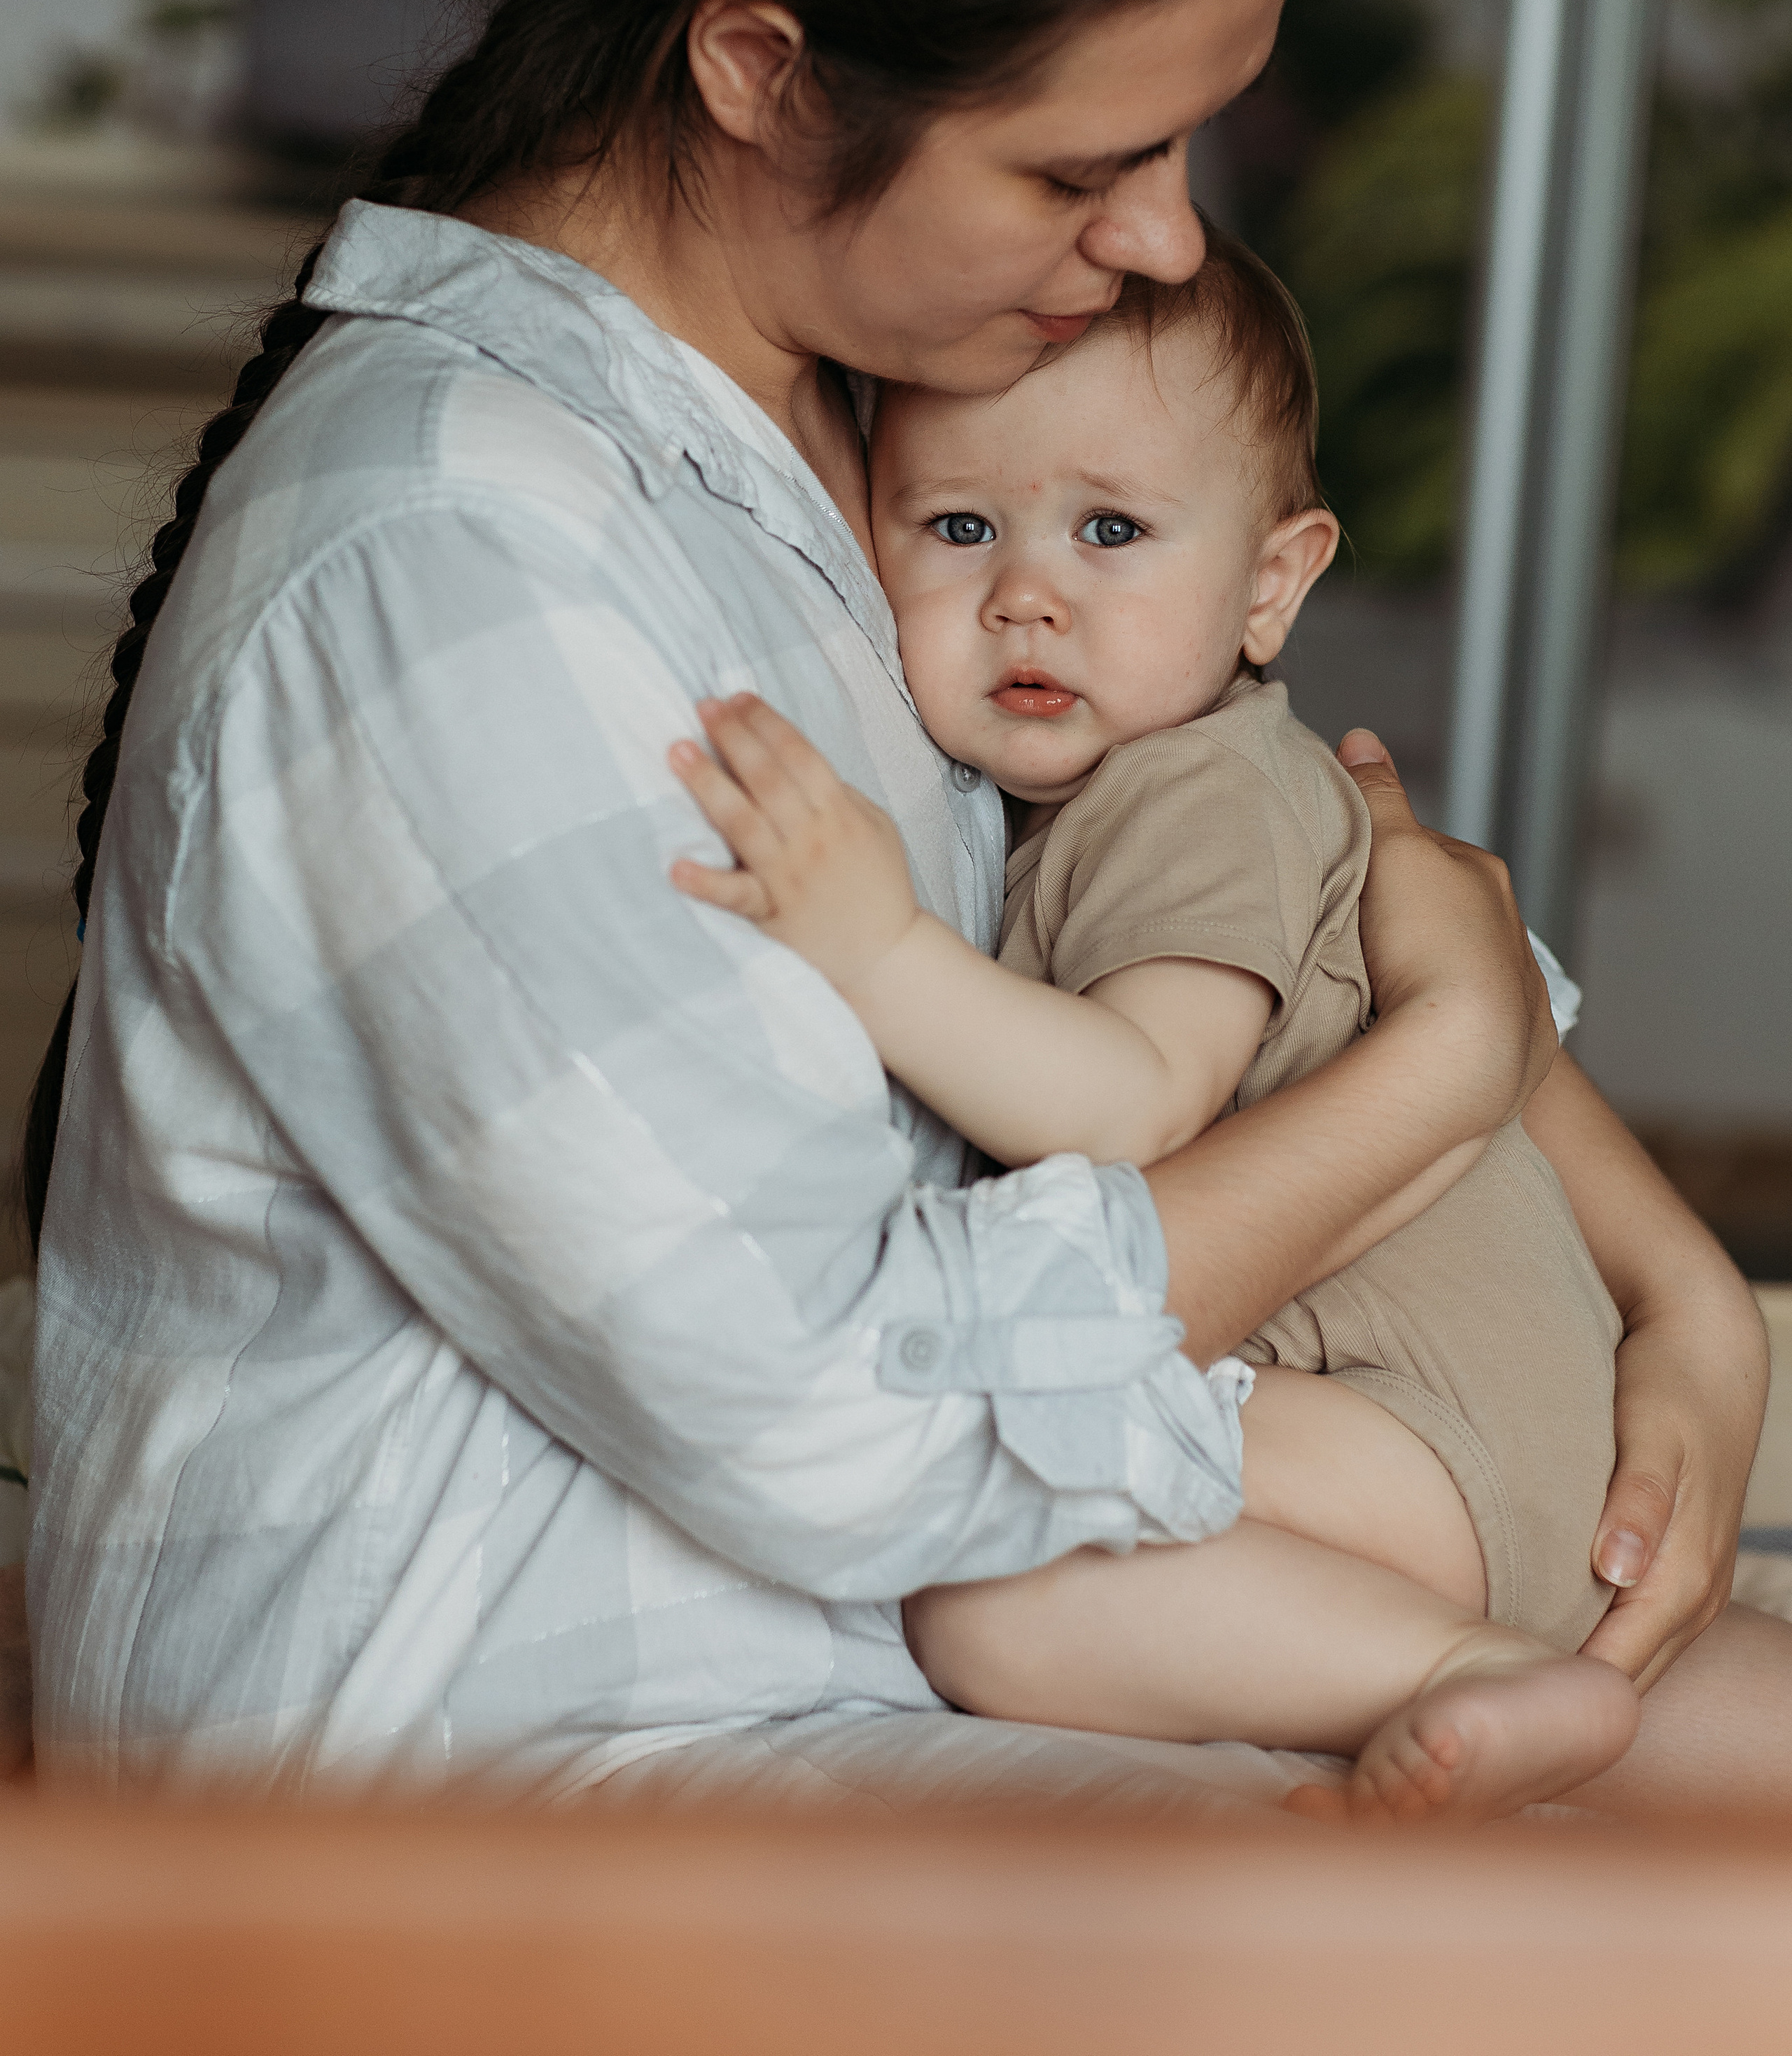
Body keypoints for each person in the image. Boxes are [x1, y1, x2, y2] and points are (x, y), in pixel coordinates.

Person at [17, 0, 1776, 1814]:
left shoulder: (882, 425)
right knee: (1541, 1942)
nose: (1161, 244)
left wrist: (1691, 1303)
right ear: (759, 67)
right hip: (552, 1740)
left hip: (951, 1602)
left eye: (1184, 146)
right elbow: (853, 1429)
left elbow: (1289, 897)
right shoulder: (458, 563)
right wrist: (1444, 1075)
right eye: (1083, 168)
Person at [666, 239, 1639, 1819]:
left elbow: (1133, 1107)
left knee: (982, 1585)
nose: (1027, 592)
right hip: (1470, 1440)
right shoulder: (1139, 788)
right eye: (958, 525)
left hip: (1419, 1429)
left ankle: (1454, 1671)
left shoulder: (1195, 794)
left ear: (1269, 583)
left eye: (1109, 529)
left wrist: (876, 949)